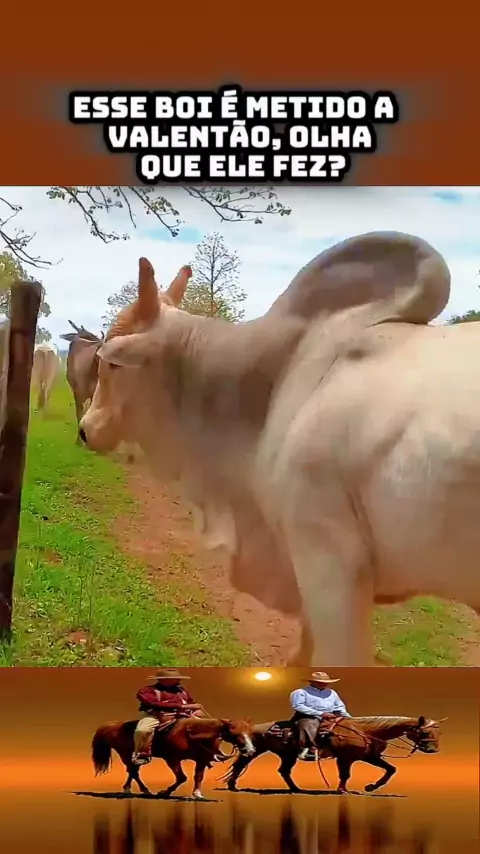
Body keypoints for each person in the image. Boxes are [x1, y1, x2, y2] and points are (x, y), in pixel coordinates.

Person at [132, 668, 206, 765]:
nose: (179, 680)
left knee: (205, 727)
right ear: (163, 680)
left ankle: (209, 751)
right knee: (143, 730)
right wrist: (182, 706)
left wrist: (196, 710)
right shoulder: (146, 691)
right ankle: (141, 753)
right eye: (175, 679)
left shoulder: (182, 690)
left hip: (181, 715)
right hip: (156, 715)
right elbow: (154, 703)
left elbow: (190, 702)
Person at [289, 671, 351, 761]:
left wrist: (348, 717)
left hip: (330, 716)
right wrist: (321, 713)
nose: (323, 684)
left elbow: (339, 706)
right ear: (312, 682)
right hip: (307, 716)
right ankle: (308, 749)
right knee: (309, 724)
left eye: (325, 682)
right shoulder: (300, 692)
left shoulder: (332, 693)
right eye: (320, 682)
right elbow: (298, 706)